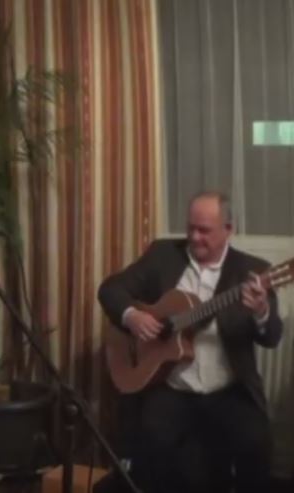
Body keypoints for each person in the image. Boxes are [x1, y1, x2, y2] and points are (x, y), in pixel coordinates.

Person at [97, 191, 283, 493]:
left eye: (204, 230)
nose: (195, 237)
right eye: (190, 228)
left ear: (229, 229)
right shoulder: (163, 255)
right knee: (148, 443)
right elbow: (110, 289)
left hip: (228, 391)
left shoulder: (253, 272)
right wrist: (132, 316)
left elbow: (272, 337)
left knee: (257, 443)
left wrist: (261, 311)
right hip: (172, 388)